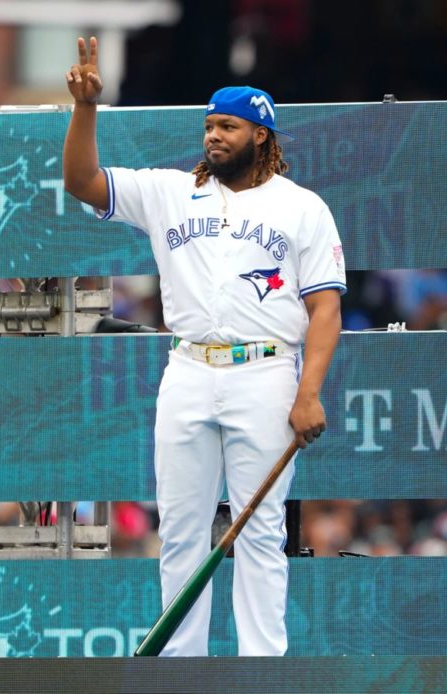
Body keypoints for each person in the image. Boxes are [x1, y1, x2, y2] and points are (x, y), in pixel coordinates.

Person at [62, 36, 345, 656]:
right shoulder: (170, 191)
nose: (213, 135)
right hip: (188, 368)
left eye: (228, 126)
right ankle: (180, 668)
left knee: (261, 532)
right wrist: (85, 110)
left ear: (261, 136)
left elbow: (326, 309)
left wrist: (308, 393)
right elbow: (83, 181)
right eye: (209, 125)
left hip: (264, 372)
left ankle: (261, 667)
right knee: (184, 531)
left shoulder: (302, 208)